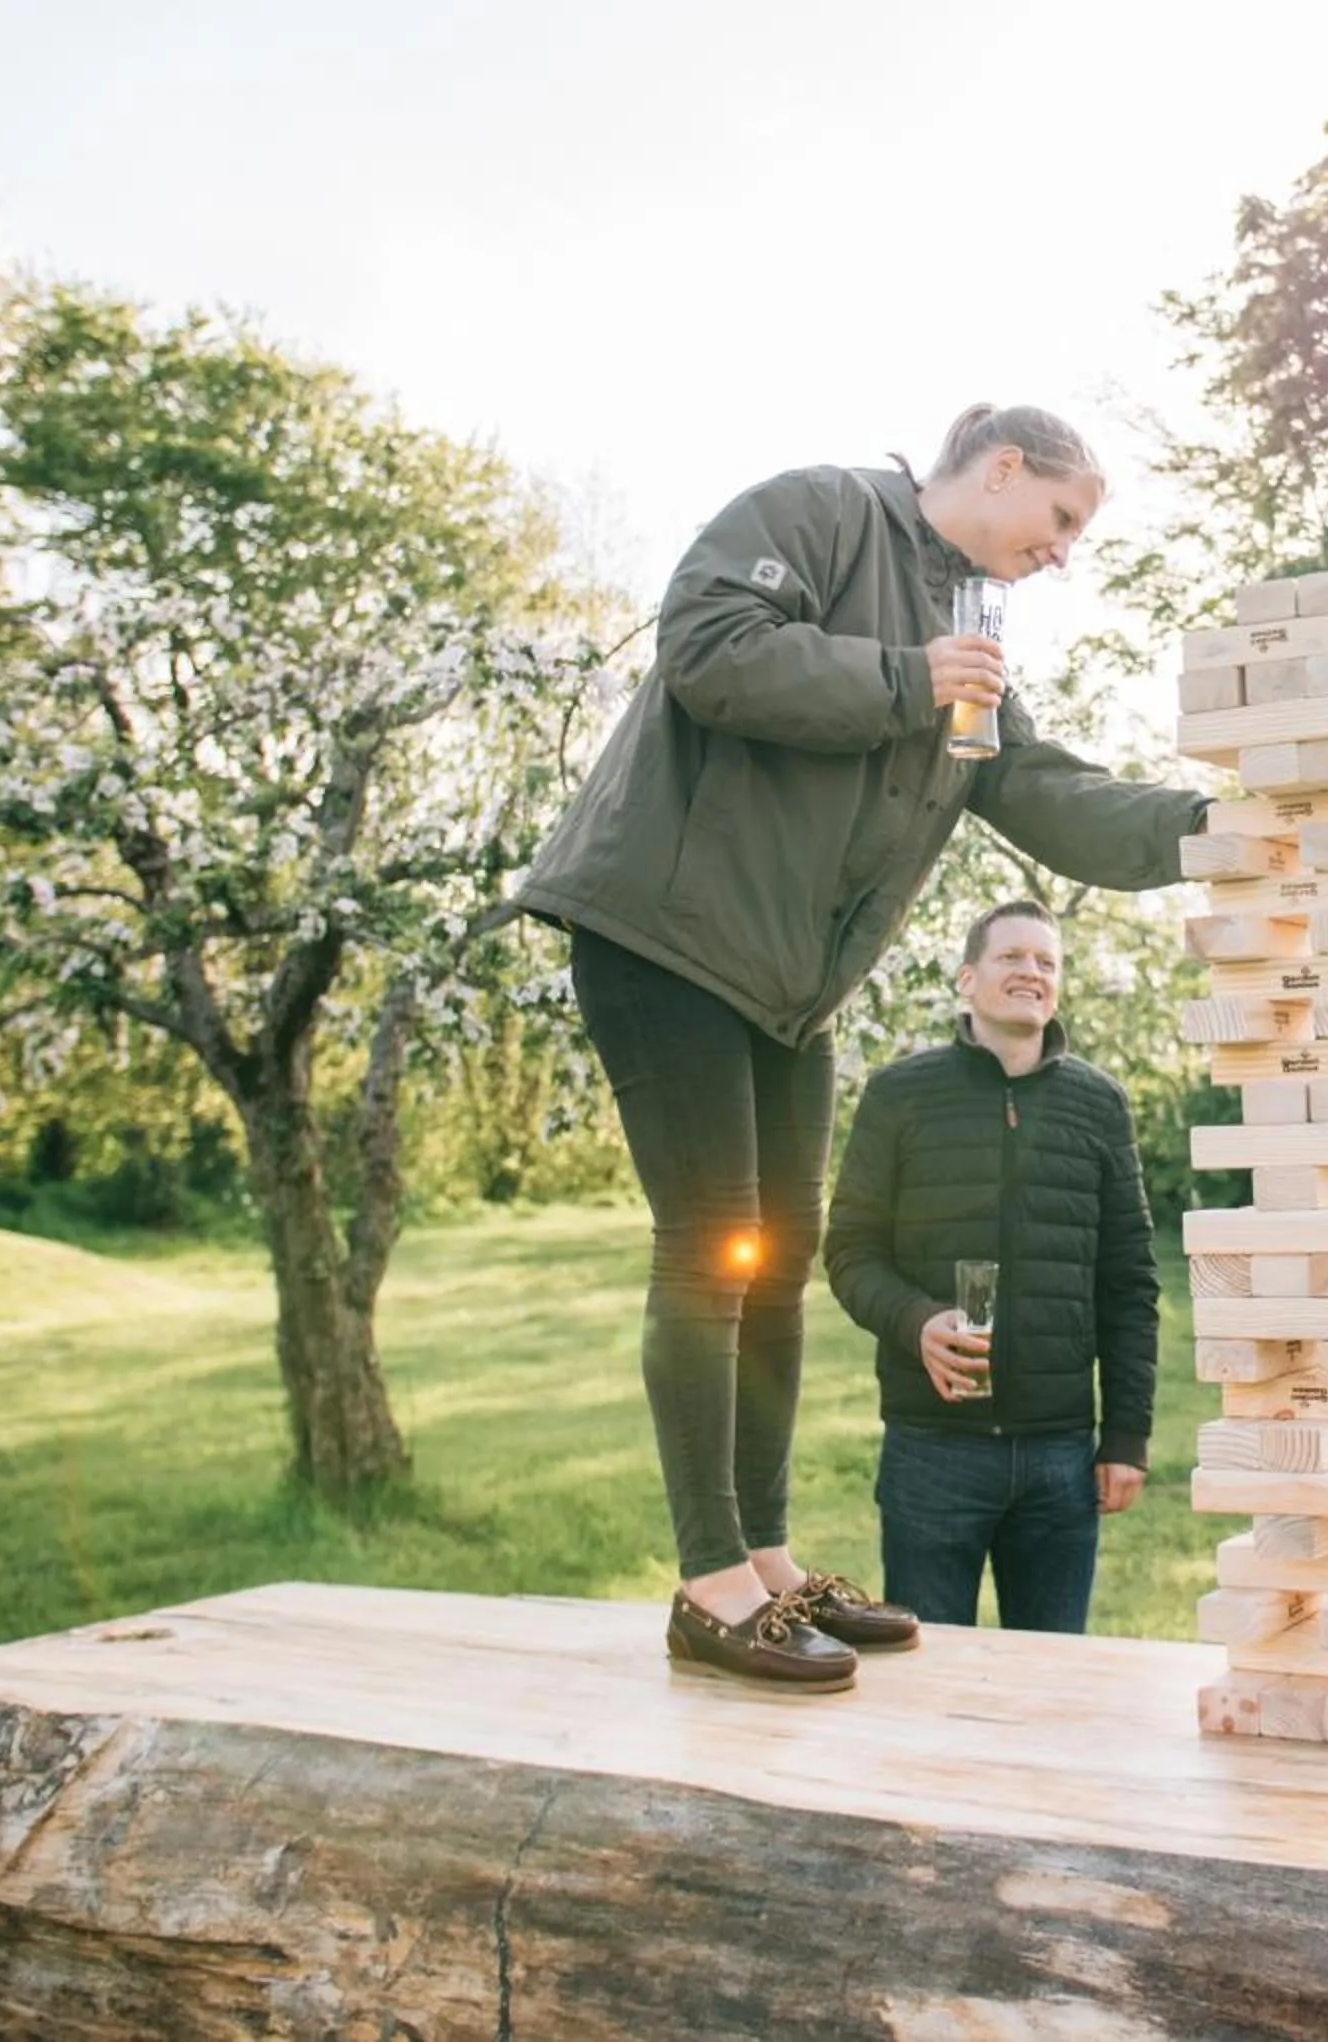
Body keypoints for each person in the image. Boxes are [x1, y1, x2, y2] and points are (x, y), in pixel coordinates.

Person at [515, 405, 1208, 1690]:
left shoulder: (974, 631)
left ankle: (766, 1561)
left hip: (786, 987)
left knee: (773, 1263)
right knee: (711, 1246)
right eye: (1061, 518)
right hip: (665, 932)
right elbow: (710, 649)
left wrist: (1210, 828)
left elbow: (1039, 787)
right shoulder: (823, 511)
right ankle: (708, 1581)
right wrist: (908, 679)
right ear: (1004, 467)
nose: (1064, 552)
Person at [824, 898, 1158, 1634]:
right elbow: (848, 1250)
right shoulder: (898, 1096)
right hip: (932, 1451)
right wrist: (917, 1323)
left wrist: (1126, 1437)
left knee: (1051, 1687)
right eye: (1012, 957)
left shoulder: (1099, 1106)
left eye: (1047, 962)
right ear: (967, 978)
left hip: (1061, 1459)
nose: (1031, 972)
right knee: (928, 1676)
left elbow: (1129, 1284)